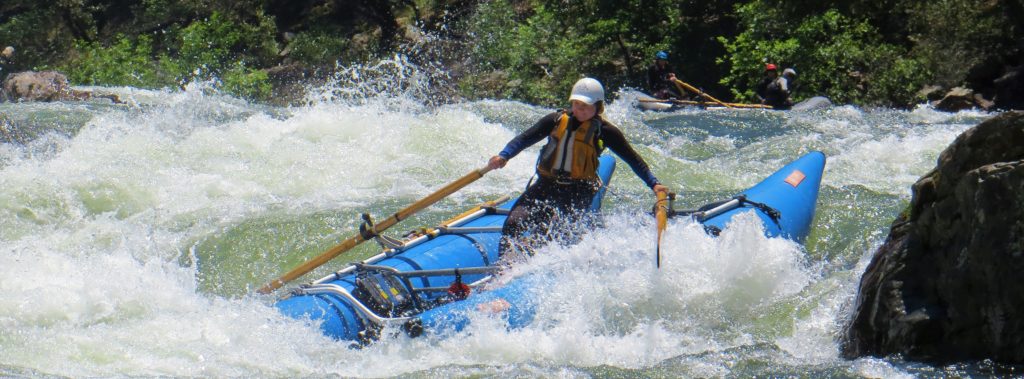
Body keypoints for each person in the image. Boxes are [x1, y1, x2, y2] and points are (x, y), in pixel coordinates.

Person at [486, 77, 669, 259]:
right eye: (576, 104)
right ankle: (504, 266)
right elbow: (524, 139)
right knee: (513, 223)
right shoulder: (555, 120)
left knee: (559, 233)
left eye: (586, 106)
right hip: (547, 184)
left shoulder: (605, 131)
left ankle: (545, 256)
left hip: (579, 189)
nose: (580, 110)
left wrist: (653, 183)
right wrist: (504, 155)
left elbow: (632, 158)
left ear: (598, 107)